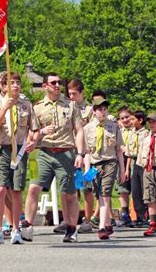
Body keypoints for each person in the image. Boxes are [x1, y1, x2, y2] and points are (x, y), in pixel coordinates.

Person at [20, 72, 84, 243]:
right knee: (34, 188)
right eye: (53, 83)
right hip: (44, 153)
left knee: (69, 193)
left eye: (59, 83)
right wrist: (39, 135)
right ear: (45, 86)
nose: (57, 86)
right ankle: (27, 226)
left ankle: (71, 229)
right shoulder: (37, 107)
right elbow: (32, 134)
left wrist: (80, 153)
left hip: (66, 152)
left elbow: (79, 131)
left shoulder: (71, 106)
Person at [0, 71, 39, 245]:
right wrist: (5, 108)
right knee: (0, 189)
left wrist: (33, 141)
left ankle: (16, 229)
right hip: (2, 149)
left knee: (16, 190)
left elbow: (35, 128)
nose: (15, 85)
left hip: (19, 150)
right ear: (3, 86)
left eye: (17, 82)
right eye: (11, 82)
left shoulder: (26, 104)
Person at [83, 98, 125, 240]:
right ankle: (107, 223)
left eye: (105, 109)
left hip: (110, 163)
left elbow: (119, 150)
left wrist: (123, 170)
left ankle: (101, 227)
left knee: (105, 194)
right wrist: (87, 171)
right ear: (94, 111)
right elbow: (87, 152)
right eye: (100, 109)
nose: (103, 112)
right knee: (99, 194)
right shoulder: (87, 129)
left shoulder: (113, 126)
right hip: (95, 164)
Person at [67, 79, 95, 234]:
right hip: (69, 151)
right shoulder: (67, 108)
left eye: (74, 93)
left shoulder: (90, 110)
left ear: (82, 93)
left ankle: (88, 220)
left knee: (86, 188)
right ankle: (70, 219)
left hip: (85, 154)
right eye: (69, 93)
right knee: (70, 188)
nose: (71, 96)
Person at [136, 113, 156, 237]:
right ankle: (152, 223)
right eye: (149, 122)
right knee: (149, 196)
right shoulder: (146, 138)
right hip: (148, 169)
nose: (151, 124)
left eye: (154, 122)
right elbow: (141, 156)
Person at [126, 110, 148, 227]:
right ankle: (139, 216)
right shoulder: (131, 133)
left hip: (143, 163)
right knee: (135, 191)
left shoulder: (146, 134)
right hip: (134, 162)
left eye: (133, 119)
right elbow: (129, 153)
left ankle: (147, 217)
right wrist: (127, 169)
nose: (131, 121)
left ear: (140, 120)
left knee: (145, 190)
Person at [116, 106, 133, 226]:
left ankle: (141, 214)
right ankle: (124, 213)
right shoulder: (119, 131)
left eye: (127, 117)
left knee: (137, 189)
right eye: (122, 118)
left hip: (134, 160)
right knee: (122, 189)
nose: (125, 120)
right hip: (121, 159)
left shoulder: (135, 130)